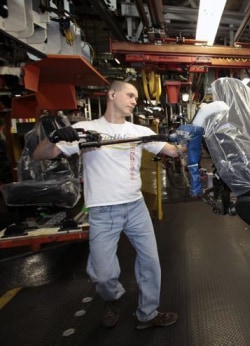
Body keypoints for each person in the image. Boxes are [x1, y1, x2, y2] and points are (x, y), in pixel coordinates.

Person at [32, 80, 180, 330]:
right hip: (103, 210)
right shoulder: (84, 129)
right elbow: (41, 154)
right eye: (130, 95)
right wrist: (54, 136)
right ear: (112, 94)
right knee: (103, 274)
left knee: (150, 262)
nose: (135, 100)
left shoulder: (138, 131)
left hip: (135, 207)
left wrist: (194, 139)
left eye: (136, 96)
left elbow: (174, 151)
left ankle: (148, 313)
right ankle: (113, 298)